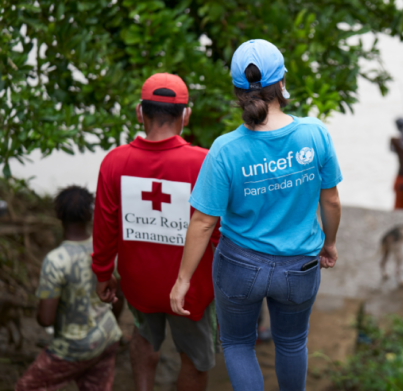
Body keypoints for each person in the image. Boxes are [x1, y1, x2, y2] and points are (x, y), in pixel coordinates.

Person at [168, 39, 342, 391]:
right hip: (300, 265)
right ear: (282, 83)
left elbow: (203, 222)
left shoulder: (225, 149)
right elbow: (332, 201)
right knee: (292, 343)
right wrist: (330, 243)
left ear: (236, 90)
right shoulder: (314, 133)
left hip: (239, 267)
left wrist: (183, 278)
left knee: (237, 344)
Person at [91, 73, 220, 391]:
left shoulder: (114, 162)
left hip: (138, 284)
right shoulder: (205, 163)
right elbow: (217, 232)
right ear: (186, 114)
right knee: (194, 358)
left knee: (144, 337)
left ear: (139, 112)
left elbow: (104, 228)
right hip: (191, 289)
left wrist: (103, 274)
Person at [16, 186, 122, 391]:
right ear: (91, 213)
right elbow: (119, 295)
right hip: (108, 336)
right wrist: (110, 324)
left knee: (26, 387)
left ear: (58, 215)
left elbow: (46, 319)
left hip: (74, 346)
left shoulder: (55, 261)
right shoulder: (107, 249)